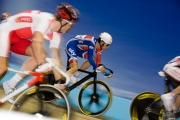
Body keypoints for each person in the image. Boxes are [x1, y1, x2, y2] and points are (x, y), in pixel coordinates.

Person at [0, 3, 80, 103]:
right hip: (5, 30)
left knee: (41, 55)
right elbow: (36, 43)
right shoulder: (46, 19)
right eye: (70, 25)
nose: (69, 28)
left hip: (17, 39)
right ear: (64, 22)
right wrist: (41, 64)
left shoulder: (57, 34)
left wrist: (58, 81)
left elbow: (55, 58)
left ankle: (10, 84)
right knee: (2, 68)